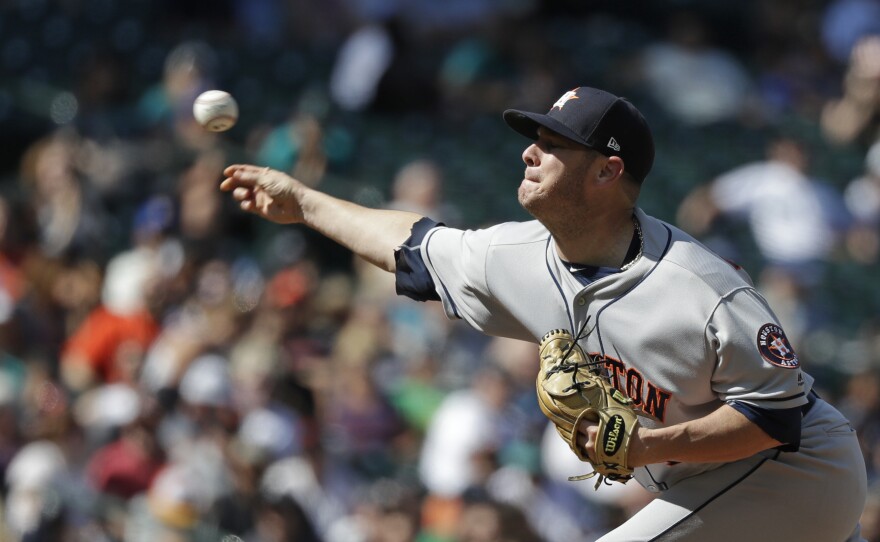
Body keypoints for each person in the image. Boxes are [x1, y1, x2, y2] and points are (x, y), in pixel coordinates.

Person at [220, 86, 868, 540]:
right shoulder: (518, 255)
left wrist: (649, 443)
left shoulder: (699, 286)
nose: (530, 150)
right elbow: (409, 245)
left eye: (554, 142)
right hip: (709, 486)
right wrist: (304, 202)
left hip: (793, 468)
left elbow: (773, 416)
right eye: (534, 136)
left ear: (607, 173)